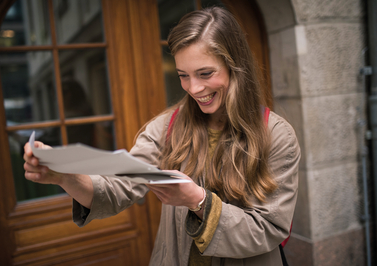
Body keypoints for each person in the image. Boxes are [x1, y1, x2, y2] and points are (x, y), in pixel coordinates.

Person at [24, 7, 300, 266]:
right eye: (183, 75)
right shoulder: (166, 127)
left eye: (205, 73)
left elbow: (269, 229)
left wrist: (199, 201)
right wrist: (65, 177)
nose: (194, 88)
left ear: (235, 66)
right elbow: (119, 188)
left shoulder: (276, 136)